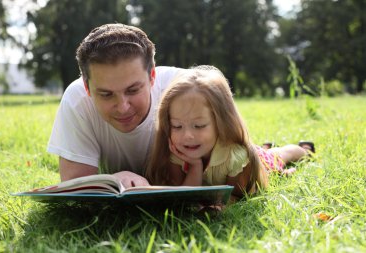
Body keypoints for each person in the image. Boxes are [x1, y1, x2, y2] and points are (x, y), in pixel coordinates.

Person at [145, 65, 314, 198]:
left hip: (255, 165)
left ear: (221, 122)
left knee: (278, 156)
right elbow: (185, 194)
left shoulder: (236, 157)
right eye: (177, 126)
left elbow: (239, 196)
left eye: (199, 126)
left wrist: (221, 203)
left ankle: (305, 149)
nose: (187, 135)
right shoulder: (177, 149)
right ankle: (270, 153)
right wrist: (195, 166)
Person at [47, 23, 181, 186]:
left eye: (132, 90)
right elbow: (74, 186)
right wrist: (113, 180)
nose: (123, 107)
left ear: (152, 75)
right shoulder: (77, 99)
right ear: (87, 87)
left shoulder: (184, 89)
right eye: (106, 94)